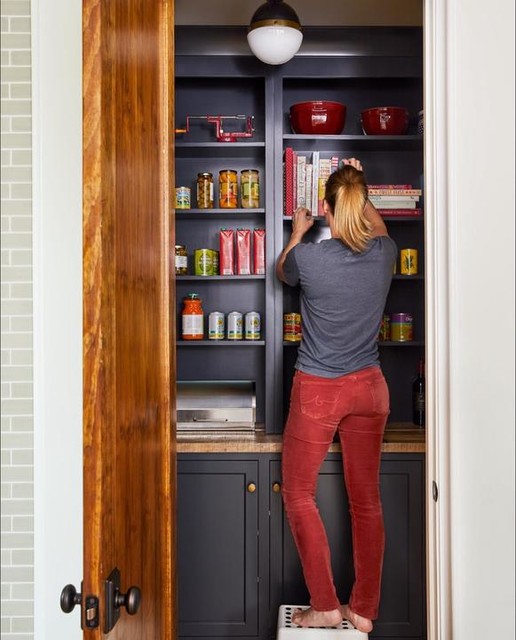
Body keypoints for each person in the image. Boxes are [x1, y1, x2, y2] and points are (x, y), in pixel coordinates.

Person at [276, 158, 397, 633]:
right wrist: (359, 187)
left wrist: (297, 232)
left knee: (298, 493)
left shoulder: (310, 258)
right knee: (366, 502)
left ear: (325, 209)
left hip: (319, 390)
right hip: (370, 388)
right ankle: (363, 610)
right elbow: (378, 227)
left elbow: (283, 271)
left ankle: (325, 605)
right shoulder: (385, 252)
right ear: (362, 203)